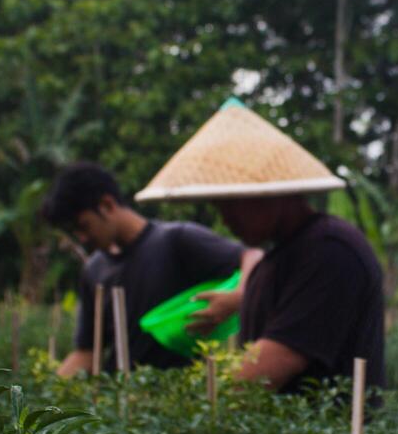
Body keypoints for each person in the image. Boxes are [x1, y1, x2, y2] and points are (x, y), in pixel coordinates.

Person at [136, 98, 385, 393]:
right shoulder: (276, 257)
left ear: (274, 192)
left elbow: (268, 369)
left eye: (233, 205)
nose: (226, 220)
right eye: (219, 208)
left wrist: (199, 413)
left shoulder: (330, 251)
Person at [41, 162, 256, 376]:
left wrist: (239, 296)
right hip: (118, 396)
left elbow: (252, 256)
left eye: (83, 226)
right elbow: (86, 352)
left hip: (173, 395)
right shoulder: (94, 270)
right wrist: (46, 398)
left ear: (107, 205)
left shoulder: (176, 240)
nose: (82, 238)